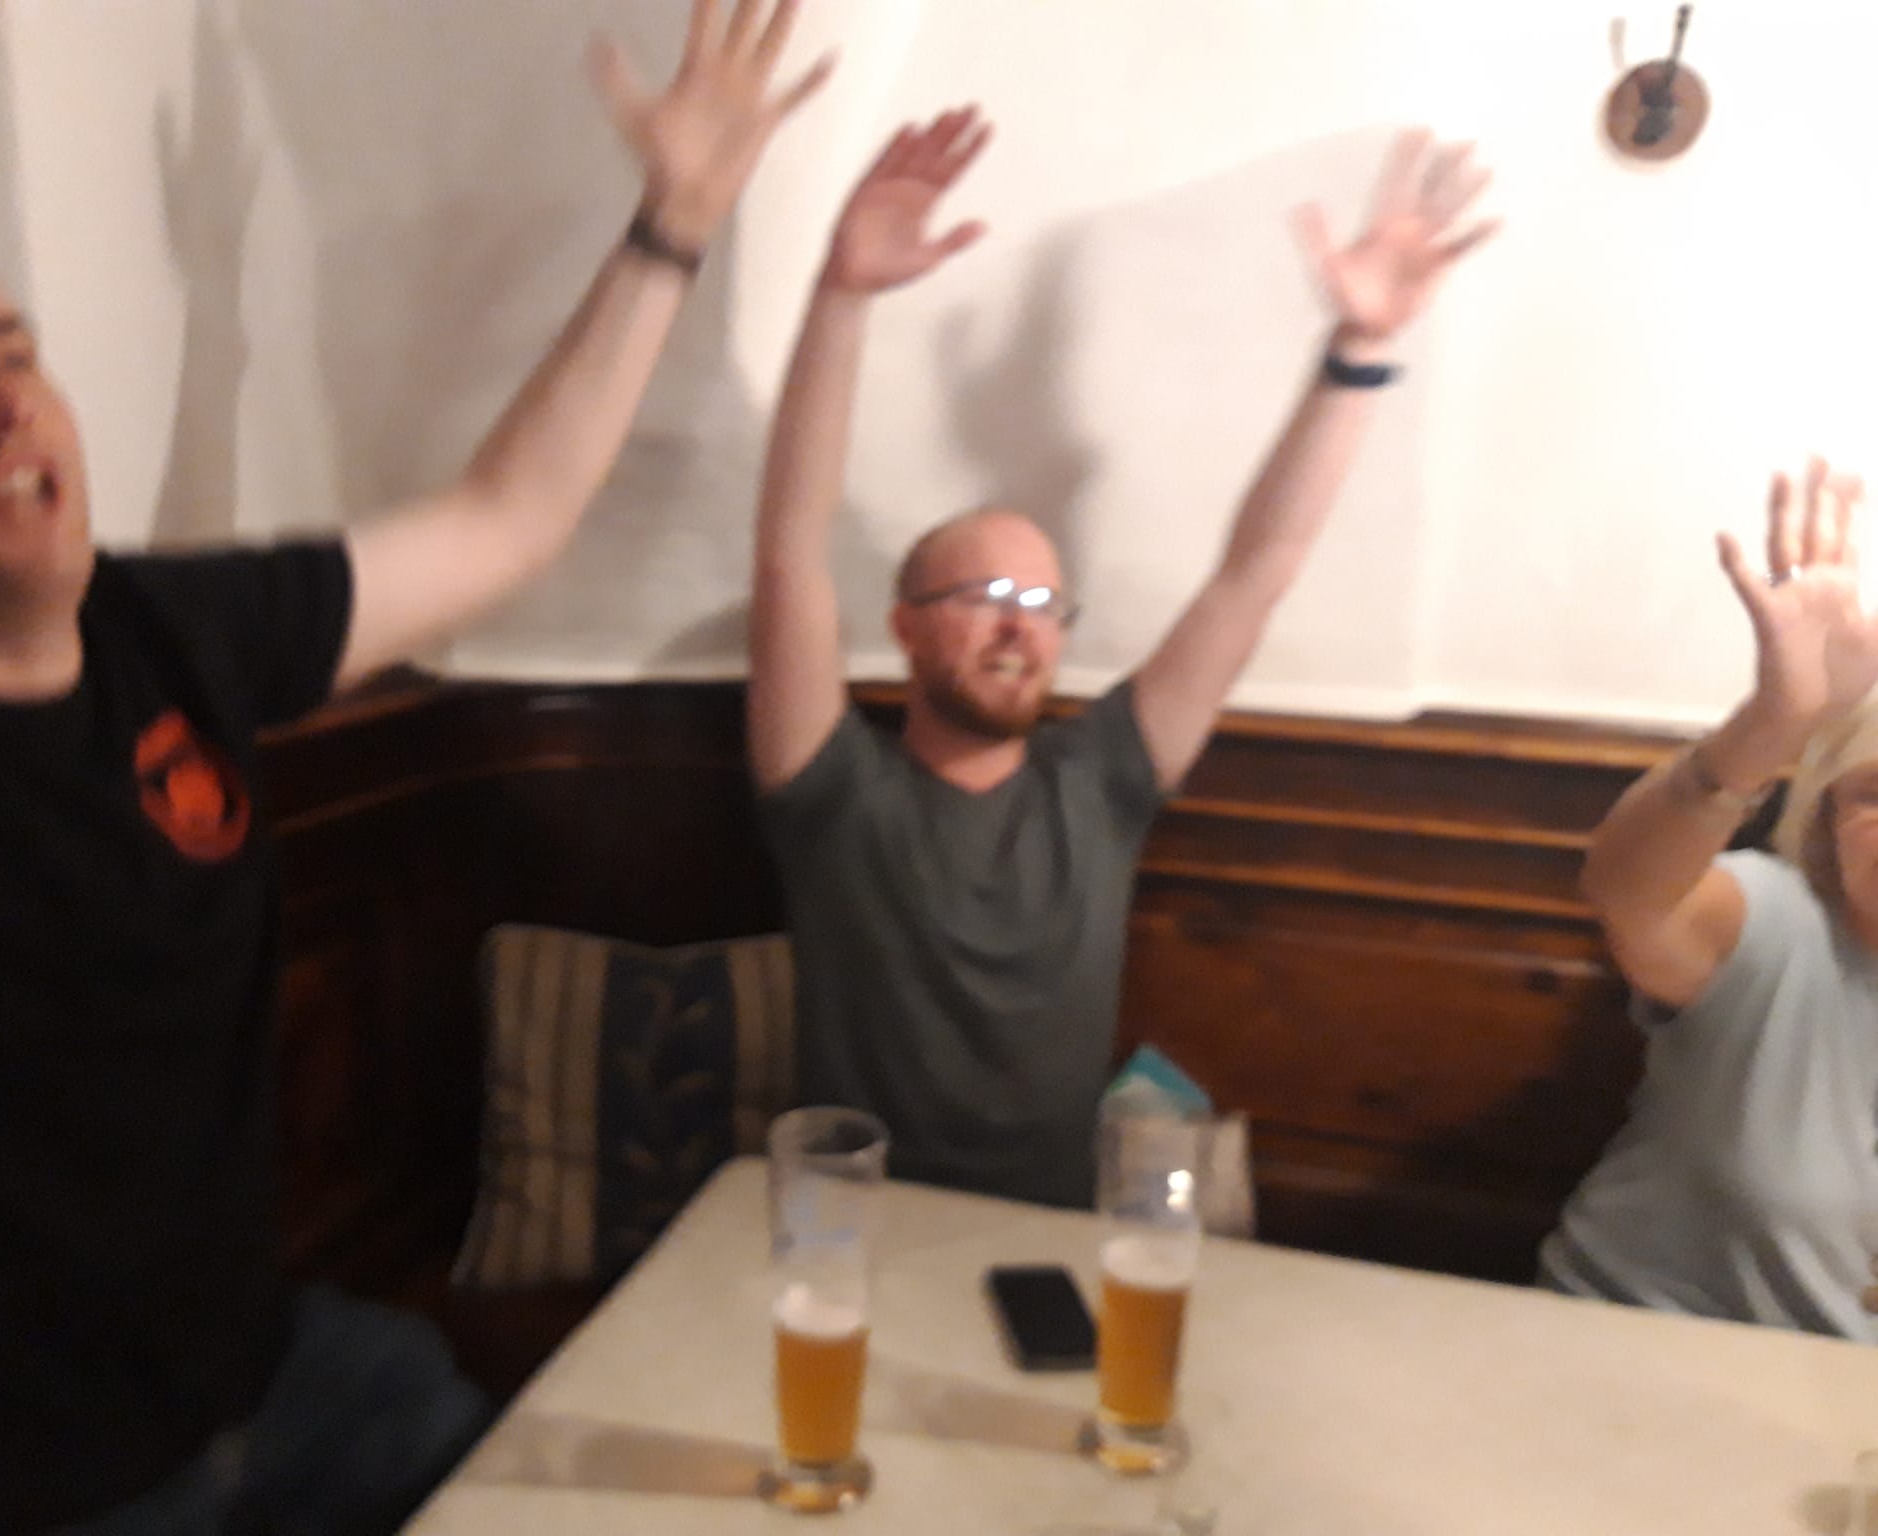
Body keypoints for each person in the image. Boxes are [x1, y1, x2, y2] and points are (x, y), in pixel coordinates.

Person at [0, 4, 830, 1531]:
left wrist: (674, 228)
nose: (3, 399)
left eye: (12, 348)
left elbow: (507, 518)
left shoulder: (169, 632)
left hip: (282, 1383)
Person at [746, 108, 1498, 1207]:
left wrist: (1359, 352)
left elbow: (1257, 570)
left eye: (1044, 604)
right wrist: (841, 298)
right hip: (858, 1224)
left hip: (1047, 1236)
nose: (1021, 627)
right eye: (985, 598)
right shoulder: (834, 794)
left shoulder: (1099, 780)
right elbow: (787, 553)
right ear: (904, 627)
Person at [1541, 460, 1878, 1340]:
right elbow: (1627, 893)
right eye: (1873, 794)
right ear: (1826, 815)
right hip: (1637, 1341)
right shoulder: (1779, 925)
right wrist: (1775, 721)